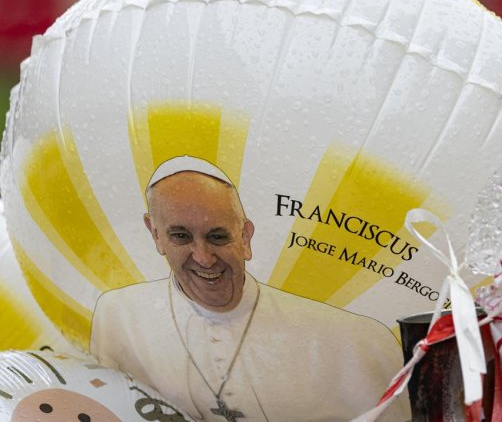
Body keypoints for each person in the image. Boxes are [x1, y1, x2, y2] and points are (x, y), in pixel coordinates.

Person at [90, 156, 408, 422]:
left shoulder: (355, 339)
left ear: (245, 237)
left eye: (217, 237)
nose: (203, 257)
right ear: (155, 234)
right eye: (181, 237)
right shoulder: (119, 314)